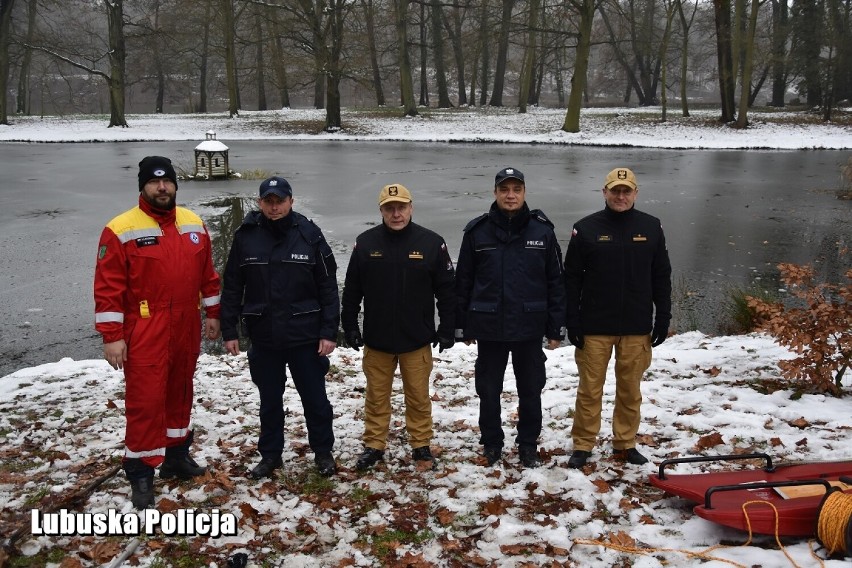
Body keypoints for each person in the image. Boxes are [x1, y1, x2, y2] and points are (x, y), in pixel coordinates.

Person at [94, 156, 221, 509]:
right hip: (145, 327)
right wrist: (111, 335)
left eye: (167, 182)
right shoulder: (120, 229)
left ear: (176, 186)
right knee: (146, 402)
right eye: (154, 182)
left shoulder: (193, 223)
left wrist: (213, 313)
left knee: (180, 391)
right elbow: (108, 289)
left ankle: (176, 456)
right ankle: (140, 472)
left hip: (185, 325)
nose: (162, 188)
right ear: (143, 186)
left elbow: (208, 274)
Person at [220, 176, 339, 479]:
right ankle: (270, 455)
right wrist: (229, 329)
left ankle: (323, 452)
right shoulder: (246, 236)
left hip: (305, 337)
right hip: (264, 336)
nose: (274, 207)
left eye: (280, 201)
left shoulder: (310, 234)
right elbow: (233, 285)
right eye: (268, 201)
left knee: (315, 400)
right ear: (260, 203)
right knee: (269, 401)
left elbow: (328, 288)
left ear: (291, 201)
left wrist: (329, 332)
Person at [455, 167, 566, 468]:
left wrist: (555, 327)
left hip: (529, 327)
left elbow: (556, 282)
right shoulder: (477, 233)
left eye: (516, 189)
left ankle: (528, 444)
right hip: (489, 327)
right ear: (495, 193)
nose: (510, 195)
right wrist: (461, 325)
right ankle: (491, 443)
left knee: (531, 390)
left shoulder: (542, 232)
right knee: (488, 391)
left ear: (524, 192)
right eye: (504, 189)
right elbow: (463, 282)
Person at [341, 183, 456, 471]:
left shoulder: (431, 243)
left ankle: (421, 445)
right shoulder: (366, 244)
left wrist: (448, 327)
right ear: (381, 210)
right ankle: (374, 445)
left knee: (418, 396)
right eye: (389, 208)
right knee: (376, 397)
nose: (396, 214)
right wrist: (350, 325)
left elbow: (447, 291)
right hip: (377, 339)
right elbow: (352, 289)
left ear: (411, 208)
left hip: (416, 339)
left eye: (401, 207)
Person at [563, 167, 672, 469]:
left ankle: (625, 444)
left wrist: (662, 316)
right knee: (589, 390)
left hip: (636, 327)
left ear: (635, 193)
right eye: (615, 190)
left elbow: (661, 275)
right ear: (605, 192)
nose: (620, 196)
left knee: (630, 391)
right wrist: (572, 320)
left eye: (626, 191)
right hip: (594, 327)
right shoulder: (585, 228)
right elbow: (571, 279)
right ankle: (583, 444)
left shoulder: (651, 227)